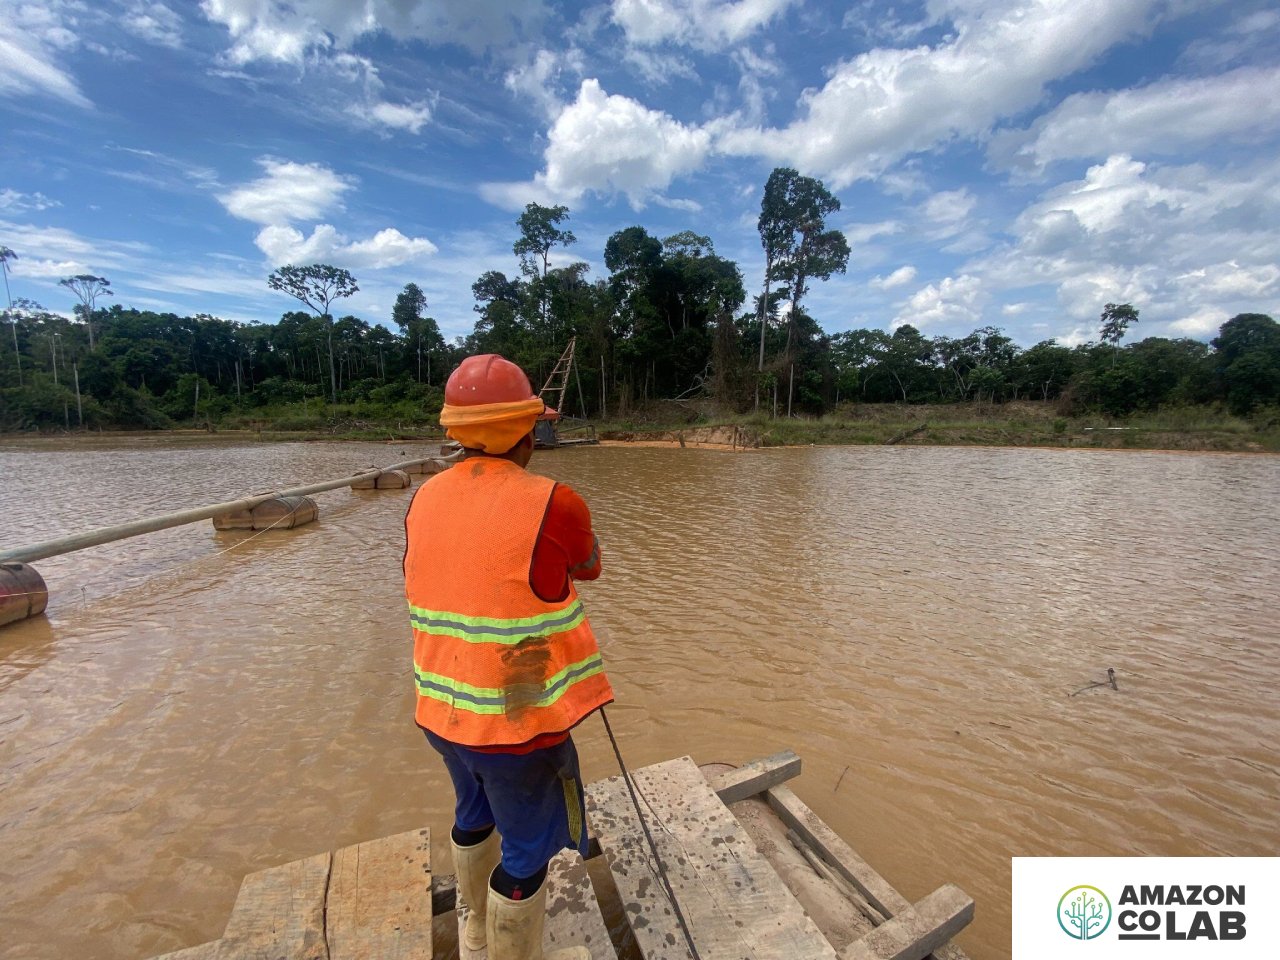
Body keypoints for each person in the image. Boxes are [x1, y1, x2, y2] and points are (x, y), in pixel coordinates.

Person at [403, 354, 613, 960]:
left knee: (473, 812)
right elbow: (589, 566)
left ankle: (472, 933)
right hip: (516, 727)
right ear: (528, 432)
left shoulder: (422, 500)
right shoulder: (555, 502)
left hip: (442, 712)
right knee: (525, 851)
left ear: (457, 434)